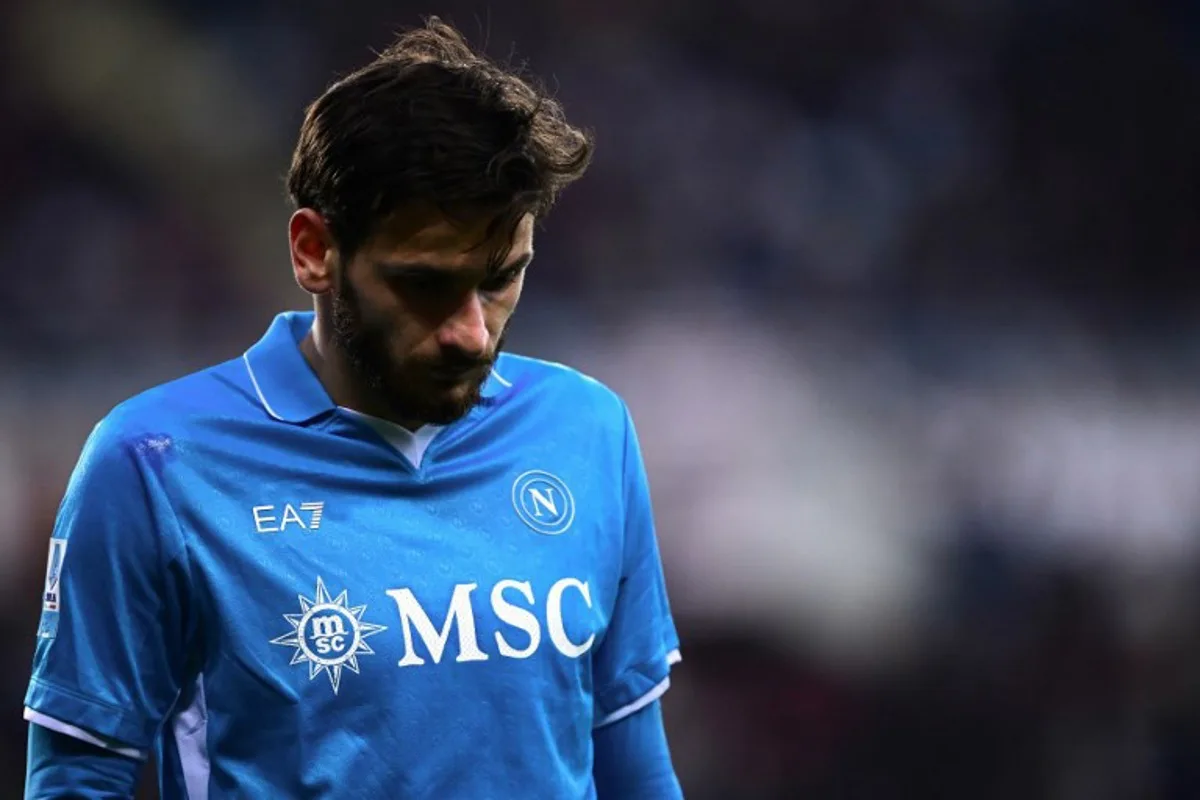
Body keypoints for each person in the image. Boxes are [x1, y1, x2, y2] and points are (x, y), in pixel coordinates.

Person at [24, 17, 682, 799]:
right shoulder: (155, 464)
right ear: (314, 250)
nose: (472, 332)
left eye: (502, 278)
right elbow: (80, 776)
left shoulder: (587, 430)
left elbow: (631, 759)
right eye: (425, 284)